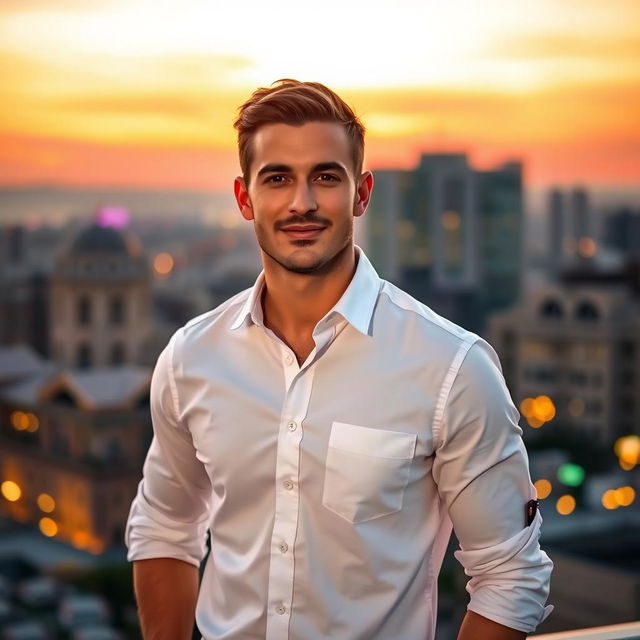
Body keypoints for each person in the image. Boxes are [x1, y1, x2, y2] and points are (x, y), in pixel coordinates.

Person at [126, 79, 553, 640]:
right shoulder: (192, 357)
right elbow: (164, 525)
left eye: (326, 177)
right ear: (244, 198)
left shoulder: (452, 368)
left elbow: (511, 574)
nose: (302, 202)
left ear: (361, 193)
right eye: (277, 178)